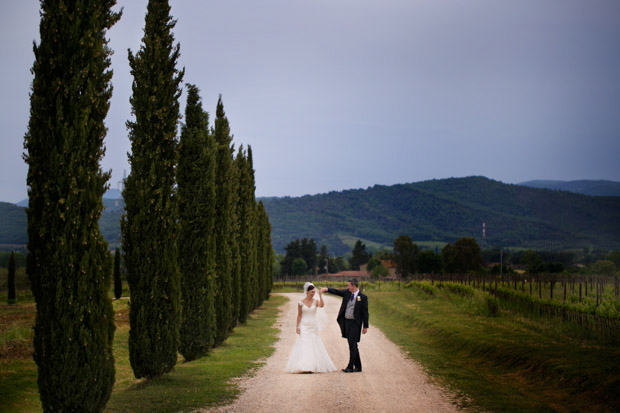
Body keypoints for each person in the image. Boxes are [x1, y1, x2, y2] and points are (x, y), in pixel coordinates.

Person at [286, 282, 337, 373]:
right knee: (304, 343)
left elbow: (321, 305)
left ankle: (313, 365)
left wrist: (320, 296)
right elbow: (299, 315)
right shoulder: (300, 302)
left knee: (314, 342)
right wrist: (297, 326)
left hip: (313, 325)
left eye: (314, 292)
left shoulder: (315, 301)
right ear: (307, 292)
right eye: (312, 292)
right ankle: (303, 365)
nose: (313, 294)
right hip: (304, 325)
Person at [320, 278, 369, 373]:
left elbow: (365, 313)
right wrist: (327, 289)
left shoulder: (362, 297)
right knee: (353, 344)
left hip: (355, 323)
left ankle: (350, 366)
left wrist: (365, 326)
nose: (348, 287)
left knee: (352, 343)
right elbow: (337, 291)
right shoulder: (347, 293)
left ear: (354, 286)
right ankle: (358, 366)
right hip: (347, 322)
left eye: (349, 285)